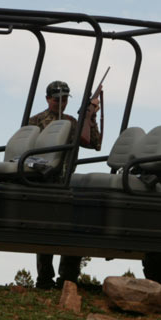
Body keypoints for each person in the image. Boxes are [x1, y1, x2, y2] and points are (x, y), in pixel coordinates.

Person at [29, 80, 103, 290]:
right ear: (47, 99)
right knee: (46, 231)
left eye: (64, 100)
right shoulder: (35, 121)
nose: (60, 104)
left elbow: (93, 143)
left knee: (74, 230)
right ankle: (44, 279)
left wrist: (90, 116)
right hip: (43, 181)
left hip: (67, 182)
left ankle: (68, 279)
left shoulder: (72, 121)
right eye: (56, 99)